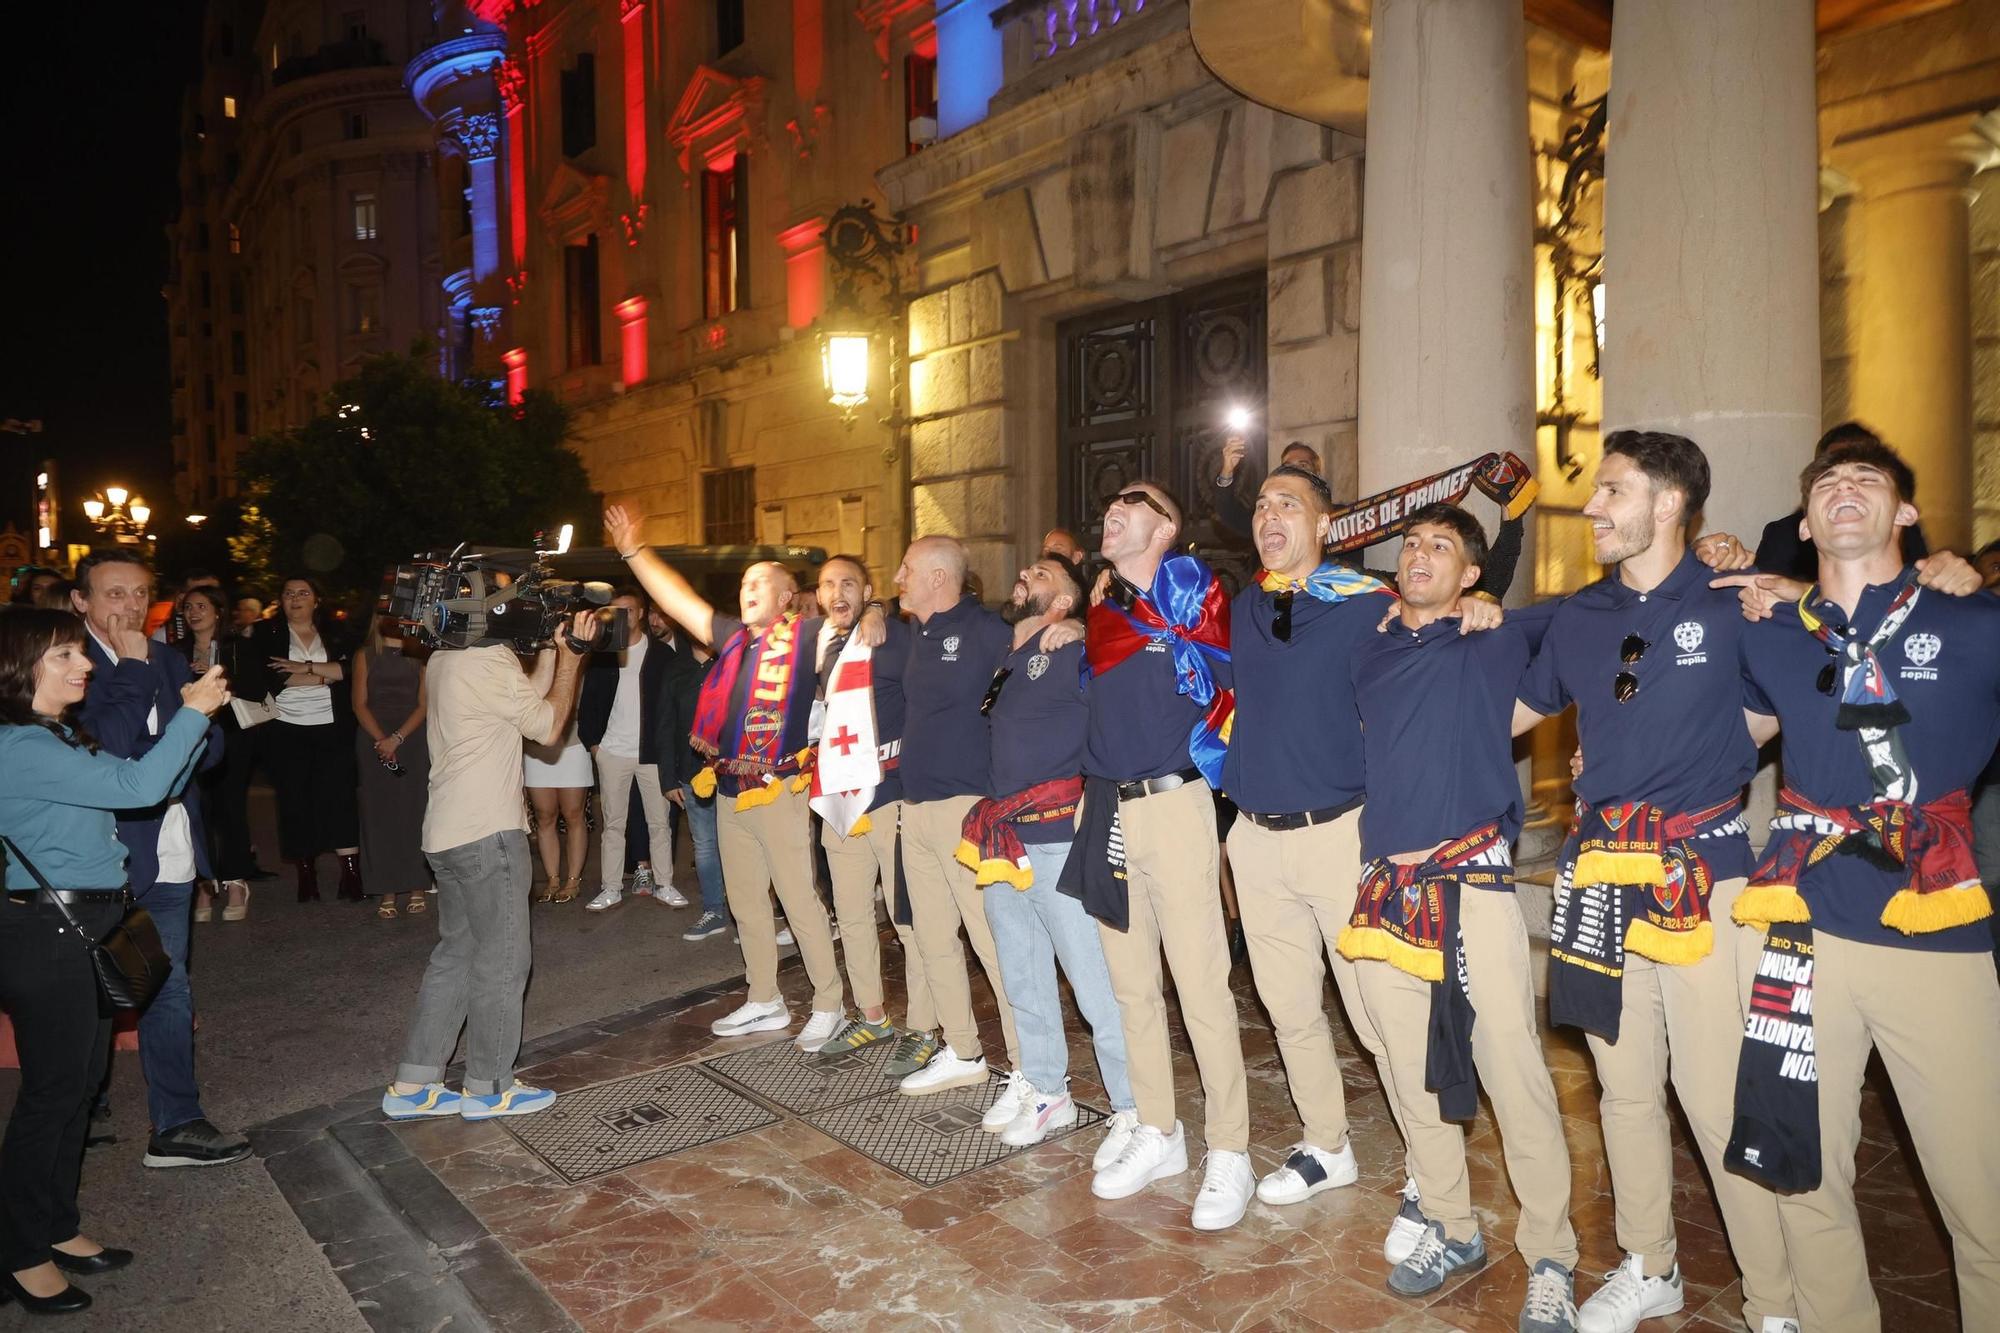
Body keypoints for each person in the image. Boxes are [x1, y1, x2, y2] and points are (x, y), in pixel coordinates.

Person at [1511, 433, 1798, 1333]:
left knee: (1719, 1100)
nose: (1593, 507)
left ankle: (1775, 1299)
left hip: (1703, 877)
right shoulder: (1579, 614)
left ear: (1670, 504)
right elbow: (1512, 713)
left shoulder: (1733, 603)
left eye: (1614, 492)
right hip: (1599, 878)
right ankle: (1651, 1262)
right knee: (1625, 1090)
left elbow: (1782, 711)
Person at [1731, 437, 2000, 1333]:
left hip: (1935, 932)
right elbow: (1693, 711)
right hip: (1803, 930)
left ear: (1908, 515)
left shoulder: (1976, 621)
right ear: (1805, 523)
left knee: (1981, 1195)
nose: (1845, 490)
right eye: (1826, 485)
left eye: (1868, 480)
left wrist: (1962, 574)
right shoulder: (1771, 631)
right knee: (1803, 1170)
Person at [1342, 503, 1580, 1330]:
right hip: (1383, 889)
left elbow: (1605, 611)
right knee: (1409, 1073)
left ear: (1472, 573)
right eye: (1411, 543)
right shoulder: (1369, 645)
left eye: (1441, 546)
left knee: (1511, 1064)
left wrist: (1501, 615)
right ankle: (1451, 1225)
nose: (1419, 554)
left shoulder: (1496, 636)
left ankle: (1551, 1251)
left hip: (1471, 884)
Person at [0, 609, 233, 1315]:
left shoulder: (54, 734)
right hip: (46, 931)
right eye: (65, 654)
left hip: (88, 921)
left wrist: (197, 723)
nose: (85, 664)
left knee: (77, 1086)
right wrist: (192, 715)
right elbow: (135, 791)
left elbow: (146, 779)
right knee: (51, 1094)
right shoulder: (16, 745)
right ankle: (18, 1251)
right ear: (20, 662)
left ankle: (56, 1225)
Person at [1072, 482, 1255, 1231]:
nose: (1111, 505)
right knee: (1131, 989)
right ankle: (1159, 1129)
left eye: (1131, 500)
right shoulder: (1102, 620)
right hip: (1107, 807)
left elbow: (1234, 679)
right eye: (1106, 499)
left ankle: (1232, 1149)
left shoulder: (1202, 602)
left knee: (1202, 987)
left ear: (1167, 526)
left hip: (1177, 806)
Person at [605, 504, 847, 1048]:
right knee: (745, 903)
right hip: (730, 790)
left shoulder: (809, 635)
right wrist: (633, 551)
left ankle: (829, 1001)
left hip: (780, 789)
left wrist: (872, 610)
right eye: (744, 582)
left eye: (762, 581)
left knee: (799, 899)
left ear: (787, 597)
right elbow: (676, 600)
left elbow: (852, 614)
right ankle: (765, 998)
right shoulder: (733, 638)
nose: (749, 588)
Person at [381, 607, 598, 1122]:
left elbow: (521, 704)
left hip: (446, 833)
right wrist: (573, 659)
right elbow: (546, 727)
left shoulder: (447, 657)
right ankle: (489, 1088)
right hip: (487, 835)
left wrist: (548, 649)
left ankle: (413, 1085)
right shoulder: (492, 661)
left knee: (455, 957)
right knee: (503, 961)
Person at [70, 550, 249, 1171]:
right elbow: (106, 751)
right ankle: (75, 1106)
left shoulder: (172, 657)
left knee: (168, 987)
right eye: (114, 594)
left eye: (141, 594)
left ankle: (176, 1123)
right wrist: (146, 687)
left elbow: (214, 741)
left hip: (171, 848)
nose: (131, 606)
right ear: (81, 603)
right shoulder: (66, 666)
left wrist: (166, 757)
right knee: (83, 994)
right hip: (95, 859)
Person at [964, 553, 1140, 1168]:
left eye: (1044, 574)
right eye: (1027, 570)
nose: (1026, 577)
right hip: (1004, 841)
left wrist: (1090, 628)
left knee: (1095, 986)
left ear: (1065, 601)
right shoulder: (1008, 658)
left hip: (1061, 838)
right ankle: (1047, 1091)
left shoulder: (1072, 648)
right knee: (1024, 977)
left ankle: (1133, 1109)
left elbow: (1139, 656)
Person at [882, 535, 1032, 1115]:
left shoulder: (986, 632)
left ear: (940, 578)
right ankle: (964, 1053)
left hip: (965, 809)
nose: (898, 576)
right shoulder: (914, 632)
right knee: (931, 939)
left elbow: (1026, 688)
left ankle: (1028, 1067)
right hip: (914, 809)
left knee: (992, 941)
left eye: (908, 568)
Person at [804, 555, 936, 1062]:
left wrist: (879, 611)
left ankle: (924, 1026)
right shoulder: (816, 643)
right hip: (837, 801)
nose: (838, 593)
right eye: (828, 585)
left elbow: (925, 705)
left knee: (909, 919)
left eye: (850, 584)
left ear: (867, 590)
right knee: (853, 917)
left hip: (889, 798)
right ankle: (872, 1017)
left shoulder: (890, 638)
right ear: (817, 596)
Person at [247, 577, 362, 902]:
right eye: (288, 593)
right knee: (295, 803)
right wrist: (323, 674)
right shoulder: (265, 633)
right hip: (285, 729)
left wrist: (304, 667)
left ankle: (351, 875)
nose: (295, 598)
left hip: (333, 727)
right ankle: (306, 877)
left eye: (303, 593)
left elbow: (350, 670)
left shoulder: (337, 632)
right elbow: (272, 676)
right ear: (281, 601)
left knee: (341, 799)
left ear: (316, 600)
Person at [579, 590, 687, 911]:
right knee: (613, 824)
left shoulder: (661, 655)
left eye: (628, 611)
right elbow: (589, 704)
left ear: (640, 614)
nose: (622, 617)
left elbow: (672, 710)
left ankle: (664, 884)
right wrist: (596, 746)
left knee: (660, 823)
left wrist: (671, 752)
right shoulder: (603, 653)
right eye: (617, 611)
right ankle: (610, 887)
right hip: (612, 751)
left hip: (651, 753)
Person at [1753, 421, 1928, 579]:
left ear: (1904, 513)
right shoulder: (1784, 534)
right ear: (1806, 527)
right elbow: (1765, 591)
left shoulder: (1911, 536)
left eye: (1866, 476)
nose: (1845, 484)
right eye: (1829, 477)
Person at [169, 587, 245, 924]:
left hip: (230, 734)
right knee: (197, 810)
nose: (194, 612)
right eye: (188, 607)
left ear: (218, 611)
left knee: (230, 808)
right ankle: (203, 882)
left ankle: (235, 881)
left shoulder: (236, 647)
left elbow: (256, 686)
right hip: (190, 734)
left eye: (202, 606)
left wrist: (219, 676)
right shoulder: (174, 652)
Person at [652, 607, 728, 941]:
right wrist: (668, 780)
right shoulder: (675, 669)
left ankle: (746, 912)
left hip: (733, 776)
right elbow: (664, 726)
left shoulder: (733, 666)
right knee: (706, 846)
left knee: (741, 846)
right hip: (691, 774)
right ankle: (714, 911)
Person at [352, 616, 430, 919]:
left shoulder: (420, 653)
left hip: (411, 737)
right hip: (373, 737)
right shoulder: (366, 654)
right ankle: (386, 887)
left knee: (414, 810)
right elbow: (359, 704)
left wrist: (396, 739)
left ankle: (417, 885)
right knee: (378, 813)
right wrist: (382, 740)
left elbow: (424, 703)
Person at [522, 705, 592, 905]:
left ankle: (572, 881)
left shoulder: (574, 672)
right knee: (544, 816)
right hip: (535, 747)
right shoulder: (528, 672)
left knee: (574, 814)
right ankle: (552, 880)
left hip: (573, 743)